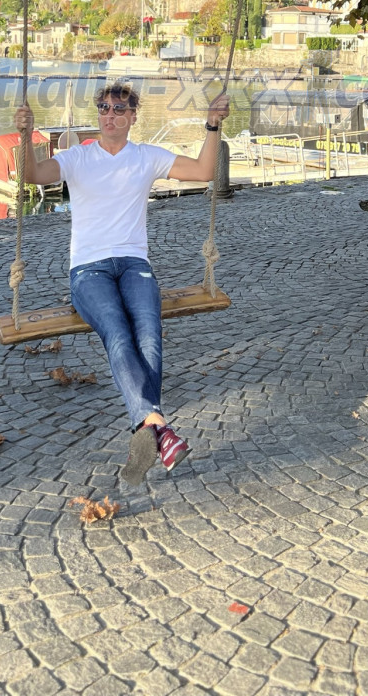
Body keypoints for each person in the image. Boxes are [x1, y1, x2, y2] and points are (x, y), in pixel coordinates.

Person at [14, 83, 230, 486]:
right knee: (116, 331)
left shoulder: (145, 157)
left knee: (148, 332)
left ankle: (148, 429)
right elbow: (32, 174)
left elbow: (203, 172)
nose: (109, 115)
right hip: (88, 269)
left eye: (118, 109)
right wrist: (26, 136)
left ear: (132, 117)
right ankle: (158, 426)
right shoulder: (78, 157)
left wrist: (212, 126)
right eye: (103, 108)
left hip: (134, 264)